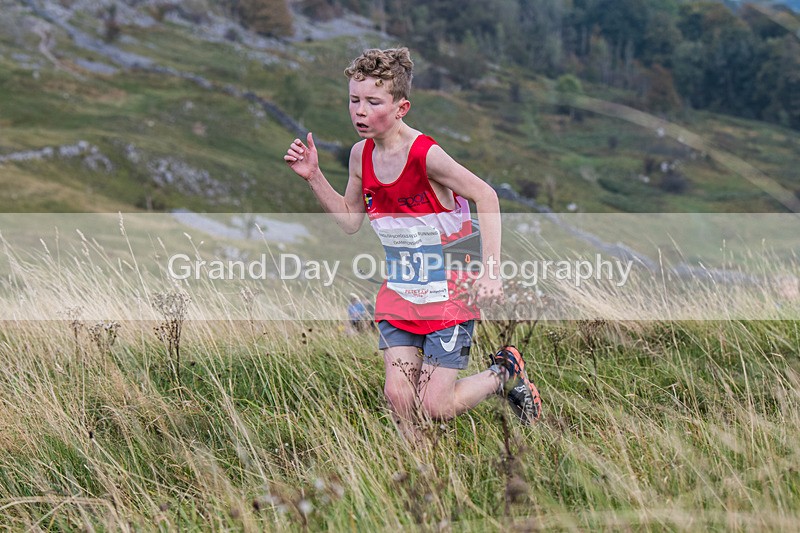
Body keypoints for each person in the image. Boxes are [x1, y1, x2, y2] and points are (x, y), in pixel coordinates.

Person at [284, 47, 541, 440]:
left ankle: (506, 373)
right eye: (354, 100)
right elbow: (351, 221)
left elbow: (486, 196)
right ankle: (418, 485)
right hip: (401, 290)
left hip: (451, 290)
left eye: (373, 102)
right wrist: (315, 177)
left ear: (402, 106)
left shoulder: (426, 156)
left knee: (435, 406)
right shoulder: (360, 156)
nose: (360, 111)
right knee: (399, 396)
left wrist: (491, 272)